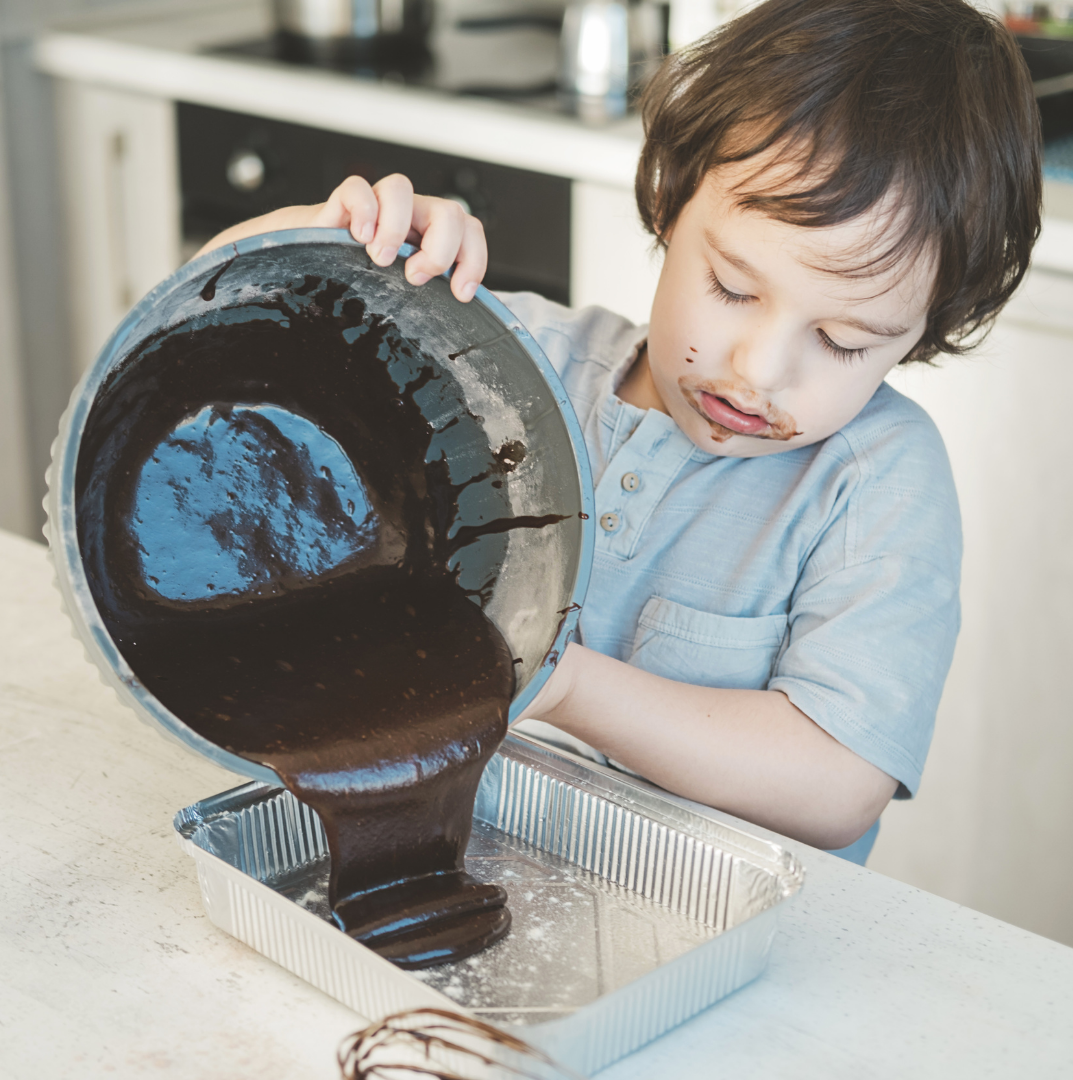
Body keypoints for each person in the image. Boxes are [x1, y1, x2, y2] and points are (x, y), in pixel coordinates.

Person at [199, 0, 1042, 863]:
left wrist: (558, 677)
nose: (758, 369)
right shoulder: (506, 362)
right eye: (733, 289)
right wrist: (324, 247)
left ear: (923, 330)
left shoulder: (875, 485)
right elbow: (200, 328)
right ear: (671, 204)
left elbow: (837, 783)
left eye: (843, 341)